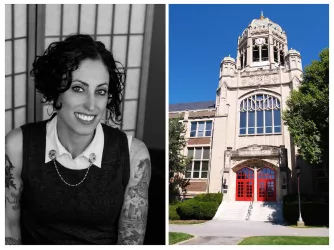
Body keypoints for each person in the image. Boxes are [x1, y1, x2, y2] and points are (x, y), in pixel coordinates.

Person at [5, 34, 151, 245]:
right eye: (78, 89)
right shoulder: (17, 145)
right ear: (56, 92)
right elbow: (8, 228)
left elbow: (131, 241)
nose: (92, 106)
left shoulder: (133, 155)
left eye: (100, 91)